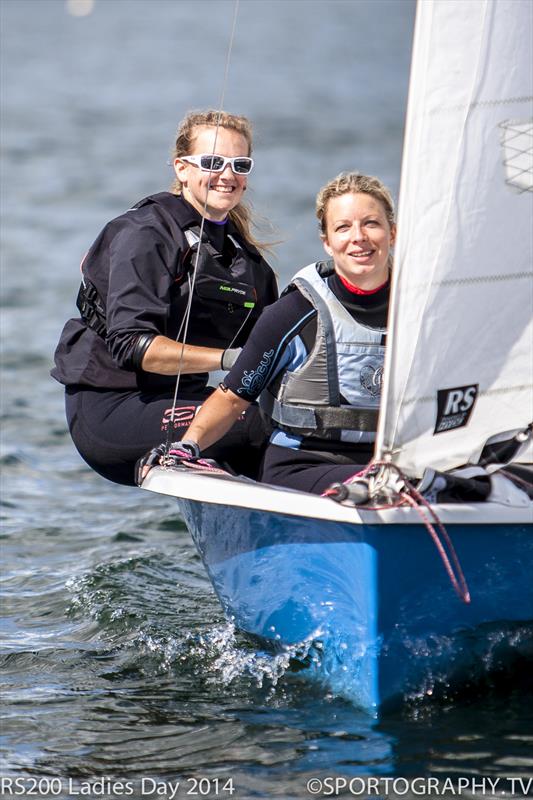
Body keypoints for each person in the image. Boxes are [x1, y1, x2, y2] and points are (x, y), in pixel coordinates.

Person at [52, 110, 279, 486]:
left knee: (301, 420)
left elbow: (275, 338)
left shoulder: (244, 258)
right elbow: (131, 345)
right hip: (112, 410)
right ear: (181, 168)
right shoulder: (146, 234)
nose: (228, 175)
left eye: (240, 164)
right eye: (212, 162)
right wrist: (229, 360)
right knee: (258, 423)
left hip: (184, 401)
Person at [144, 171, 396, 495]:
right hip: (304, 466)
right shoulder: (294, 313)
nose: (358, 236)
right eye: (343, 227)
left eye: (371, 224)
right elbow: (232, 398)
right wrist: (187, 446)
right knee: (383, 485)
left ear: (393, 232)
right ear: (328, 242)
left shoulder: (425, 312)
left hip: (394, 467)